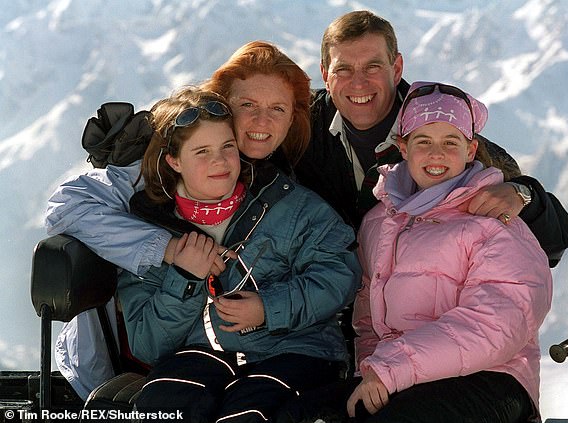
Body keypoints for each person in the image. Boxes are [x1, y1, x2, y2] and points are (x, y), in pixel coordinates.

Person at [44, 41, 359, 400]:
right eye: (247, 106)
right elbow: (68, 204)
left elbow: (336, 270)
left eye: (277, 109)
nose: (262, 121)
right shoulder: (157, 179)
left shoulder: (293, 186)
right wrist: (171, 253)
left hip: (286, 352)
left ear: (293, 117)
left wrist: (267, 308)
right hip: (187, 352)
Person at [279, 82, 552, 423]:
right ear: (403, 147)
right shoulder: (379, 221)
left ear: (471, 150)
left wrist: (390, 370)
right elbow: (367, 322)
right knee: (296, 414)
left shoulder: (494, 219)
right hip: (399, 377)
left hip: (492, 378)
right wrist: (372, 374)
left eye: (450, 142)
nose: (436, 154)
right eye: (423, 141)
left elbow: (496, 325)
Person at [121, 85, 360, 423]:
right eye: (202, 151)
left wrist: (268, 309)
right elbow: (147, 344)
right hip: (199, 355)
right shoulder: (150, 232)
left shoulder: (288, 205)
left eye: (227, 146)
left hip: (293, 349)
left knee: (248, 415)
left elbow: (339, 275)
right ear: (174, 160)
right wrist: (185, 278)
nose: (219, 161)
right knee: (163, 410)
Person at [295, 10, 568, 266]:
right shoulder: (301, 126)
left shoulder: (437, 127)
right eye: (343, 69)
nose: (358, 83)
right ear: (325, 74)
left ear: (396, 68)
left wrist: (523, 196)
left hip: (424, 312)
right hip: (328, 304)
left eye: (373, 67)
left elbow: (554, 243)